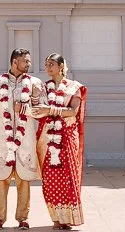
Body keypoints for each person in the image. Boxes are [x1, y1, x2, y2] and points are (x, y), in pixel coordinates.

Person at [0, 48, 44, 229]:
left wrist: (26, 107)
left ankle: (23, 218)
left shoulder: (35, 83)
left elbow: (42, 112)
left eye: (29, 60)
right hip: (2, 140)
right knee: (0, 180)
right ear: (14, 62)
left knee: (24, 180)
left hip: (25, 140)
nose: (29, 64)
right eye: (25, 61)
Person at [34, 53, 87, 230]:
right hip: (48, 138)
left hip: (67, 138)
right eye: (46, 64)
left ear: (61, 66)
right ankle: (56, 219)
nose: (48, 68)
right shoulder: (43, 88)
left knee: (67, 177)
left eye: (52, 64)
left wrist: (50, 109)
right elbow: (38, 110)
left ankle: (69, 218)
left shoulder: (74, 87)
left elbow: (72, 112)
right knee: (50, 178)